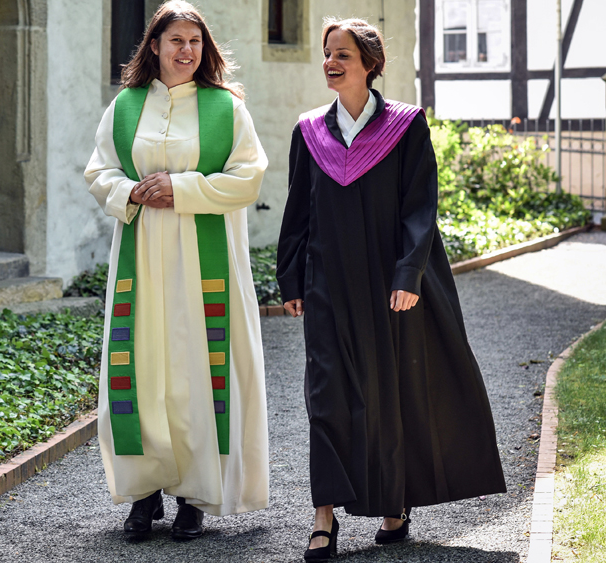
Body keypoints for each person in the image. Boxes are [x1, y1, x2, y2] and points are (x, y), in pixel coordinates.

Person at [276, 17, 507, 562]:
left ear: (370, 66)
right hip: (328, 281)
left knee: (389, 390)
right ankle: (324, 517)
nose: (331, 63)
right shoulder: (309, 130)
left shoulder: (405, 127)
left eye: (343, 56)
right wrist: (291, 277)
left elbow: (420, 208)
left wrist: (409, 275)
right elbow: (297, 211)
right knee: (327, 394)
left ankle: (393, 505)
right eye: (327, 55)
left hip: (388, 284)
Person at [84, 0, 269, 542]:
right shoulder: (125, 106)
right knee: (140, 370)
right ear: (155, 47)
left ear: (204, 49)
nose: (185, 51)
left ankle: (193, 496)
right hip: (141, 255)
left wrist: (182, 188)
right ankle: (143, 495)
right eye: (175, 41)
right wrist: (129, 190)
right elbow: (99, 170)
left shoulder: (226, 108)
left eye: (194, 42)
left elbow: (248, 177)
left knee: (194, 371)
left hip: (200, 259)